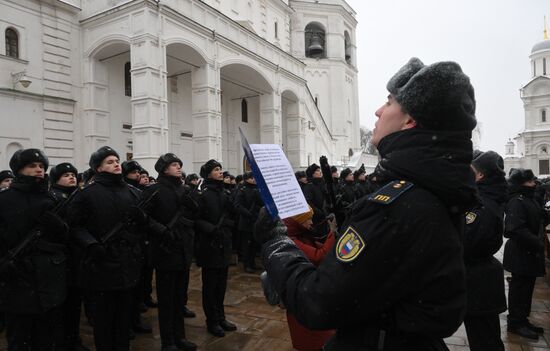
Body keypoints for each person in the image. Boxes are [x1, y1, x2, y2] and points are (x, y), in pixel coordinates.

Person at [254, 57, 478, 350]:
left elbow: (317, 301)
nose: (378, 111)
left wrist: (275, 242)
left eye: (389, 103)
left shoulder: (397, 206)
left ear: (410, 120)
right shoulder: (430, 188)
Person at [67, 146, 146, 351]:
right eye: (109, 162)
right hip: (101, 266)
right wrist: (90, 244)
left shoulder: (133, 192)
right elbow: (74, 226)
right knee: (103, 322)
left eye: (117, 160)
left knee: (123, 320)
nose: (116, 164)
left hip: (128, 264)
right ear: (98, 168)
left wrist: (142, 220)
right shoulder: (86, 195)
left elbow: (142, 228)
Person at [0, 149, 68, 350]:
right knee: (19, 340)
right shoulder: (4, 200)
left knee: (45, 339)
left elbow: (67, 238)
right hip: (16, 279)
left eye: (41, 166)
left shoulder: (54, 199)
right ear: (19, 170)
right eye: (32, 166)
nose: (39, 170)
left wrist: (59, 227)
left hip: (49, 280)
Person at [143, 153, 197, 351]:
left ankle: (180, 337)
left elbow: (194, 216)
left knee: (179, 299)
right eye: (174, 164)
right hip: (165, 250)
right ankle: (168, 341)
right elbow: (143, 217)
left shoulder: (184, 190)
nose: (178, 167)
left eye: (179, 164)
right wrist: (162, 231)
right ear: (164, 169)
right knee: (166, 300)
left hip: (183, 249)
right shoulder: (153, 190)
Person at [463, 151, 507, 350]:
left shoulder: (484, 206)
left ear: (480, 175)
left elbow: (470, 242)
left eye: (471, 170)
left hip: (479, 284)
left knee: (485, 341)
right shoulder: (481, 200)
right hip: (478, 281)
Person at [49, 162, 91, 351]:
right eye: (66, 175)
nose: (71, 177)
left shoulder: (78, 196)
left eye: (73, 174)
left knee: (74, 304)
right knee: (60, 308)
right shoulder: (53, 198)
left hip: (76, 258)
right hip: (60, 259)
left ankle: (73, 340)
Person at [283, 207, 336, 351]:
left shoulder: (300, 233)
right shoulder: (292, 239)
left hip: (307, 292)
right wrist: (333, 233)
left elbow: (318, 246)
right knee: (309, 337)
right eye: (308, 219)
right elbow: (319, 256)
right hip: (302, 297)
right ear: (299, 222)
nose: (311, 222)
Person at [195, 160, 237, 337]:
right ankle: (211, 321)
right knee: (210, 286)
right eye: (216, 170)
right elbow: (195, 219)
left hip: (223, 244)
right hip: (209, 245)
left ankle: (221, 317)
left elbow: (232, 214)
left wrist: (229, 223)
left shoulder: (225, 193)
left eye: (220, 169)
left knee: (221, 285)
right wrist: (211, 229)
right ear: (208, 174)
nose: (220, 172)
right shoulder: (202, 194)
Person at [503, 168, 546, 340]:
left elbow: (538, 217)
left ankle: (523, 319)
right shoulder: (517, 201)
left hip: (530, 253)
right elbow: (514, 229)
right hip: (521, 252)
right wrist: (537, 243)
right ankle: (515, 322)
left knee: (527, 288)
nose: (534, 183)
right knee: (518, 289)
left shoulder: (529, 199)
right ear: (521, 183)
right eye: (529, 181)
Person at [234, 172, 262, 273]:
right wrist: (248, 213)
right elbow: (237, 205)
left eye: (254, 177)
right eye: (251, 178)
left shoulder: (258, 189)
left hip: (256, 220)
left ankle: (253, 263)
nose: (254, 179)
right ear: (246, 179)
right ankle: (247, 264)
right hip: (246, 221)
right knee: (247, 245)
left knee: (254, 244)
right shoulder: (242, 190)